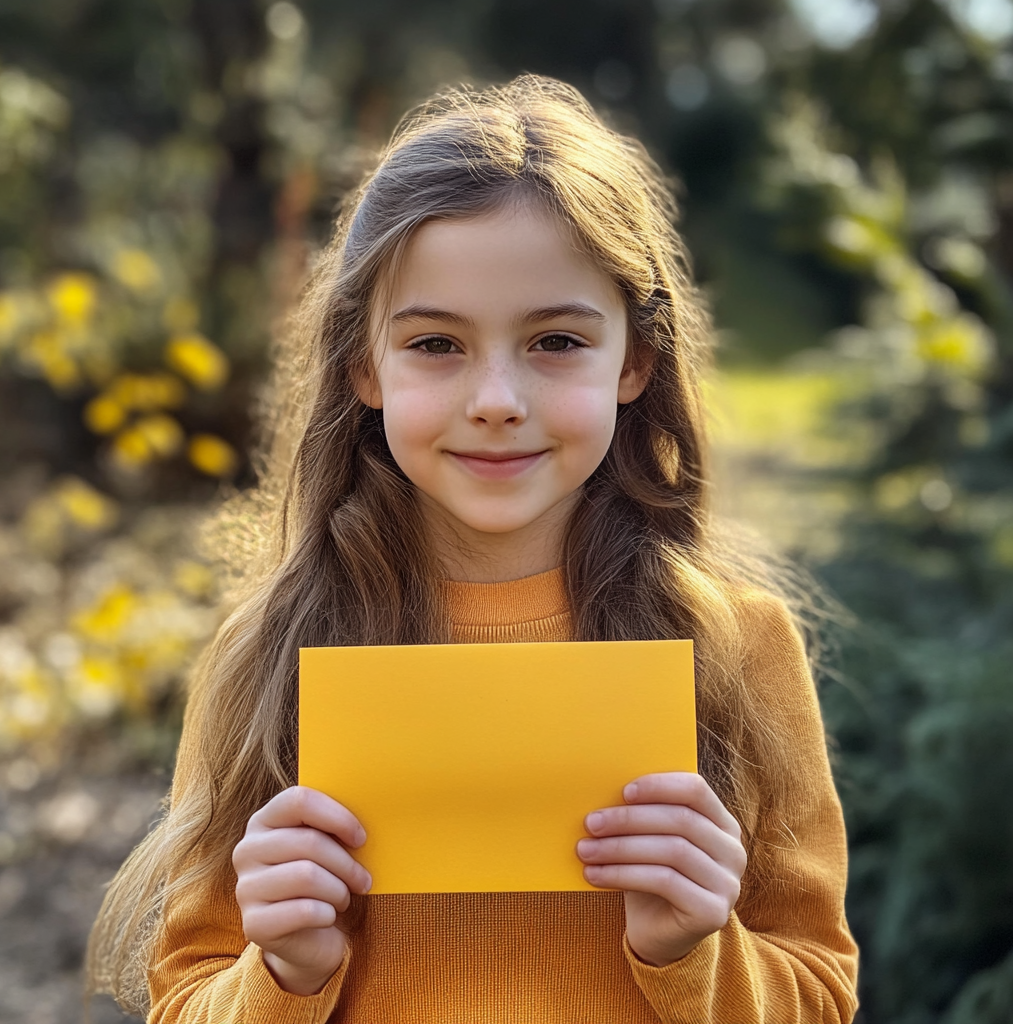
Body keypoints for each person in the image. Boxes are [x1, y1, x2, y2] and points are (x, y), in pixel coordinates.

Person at [85, 75, 859, 1024]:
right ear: (364, 365)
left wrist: (694, 950)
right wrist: (283, 974)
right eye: (438, 345)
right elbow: (186, 1000)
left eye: (557, 341)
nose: (496, 397)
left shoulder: (739, 649)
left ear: (635, 362)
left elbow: (821, 995)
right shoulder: (270, 654)